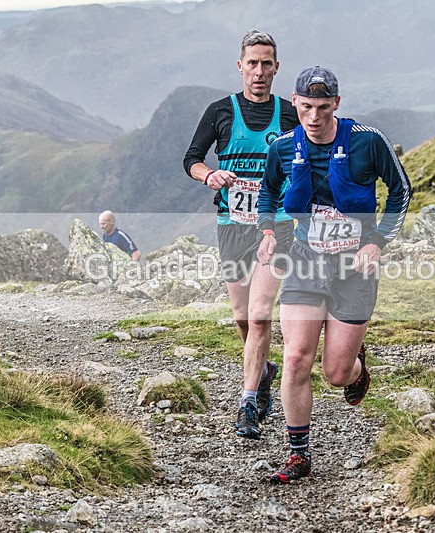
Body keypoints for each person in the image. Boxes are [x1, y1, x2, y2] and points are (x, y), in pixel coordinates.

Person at [256, 66, 411, 483]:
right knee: (294, 358)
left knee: (336, 374)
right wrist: (268, 230)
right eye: (306, 107)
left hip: (354, 266)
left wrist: (376, 240)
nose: (314, 116)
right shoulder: (284, 147)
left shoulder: (368, 141)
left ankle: (356, 365)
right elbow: (269, 191)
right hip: (306, 258)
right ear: (295, 103)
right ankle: (298, 453)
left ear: (337, 104)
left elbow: (401, 191)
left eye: (323, 107)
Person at [183, 30, 299, 440]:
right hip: (232, 225)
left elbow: (311, 155)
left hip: (277, 224)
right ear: (240, 66)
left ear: (276, 68)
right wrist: (210, 175)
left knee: (261, 311)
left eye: (267, 63)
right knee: (242, 317)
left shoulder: (289, 114)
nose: (260, 71)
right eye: (253, 63)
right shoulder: (220, 111)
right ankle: (265, 367)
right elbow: (192, 159)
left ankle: (248, 401)